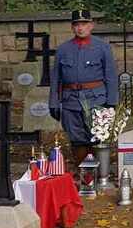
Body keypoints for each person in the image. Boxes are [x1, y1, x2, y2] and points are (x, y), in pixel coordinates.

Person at [49, 9, 118, 170]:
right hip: (70, 101)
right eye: (77, 24)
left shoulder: (102, 48)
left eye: (84, 24)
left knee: (97, 137)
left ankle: (100, 176)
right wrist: (53, 102)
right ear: (72, 27)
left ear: (91, 25)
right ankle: (84, 176)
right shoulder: (63, 50)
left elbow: (111, 76)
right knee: (76, 139)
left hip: (96, 100)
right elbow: (56, 79)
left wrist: (111, 102)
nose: (80, 28)